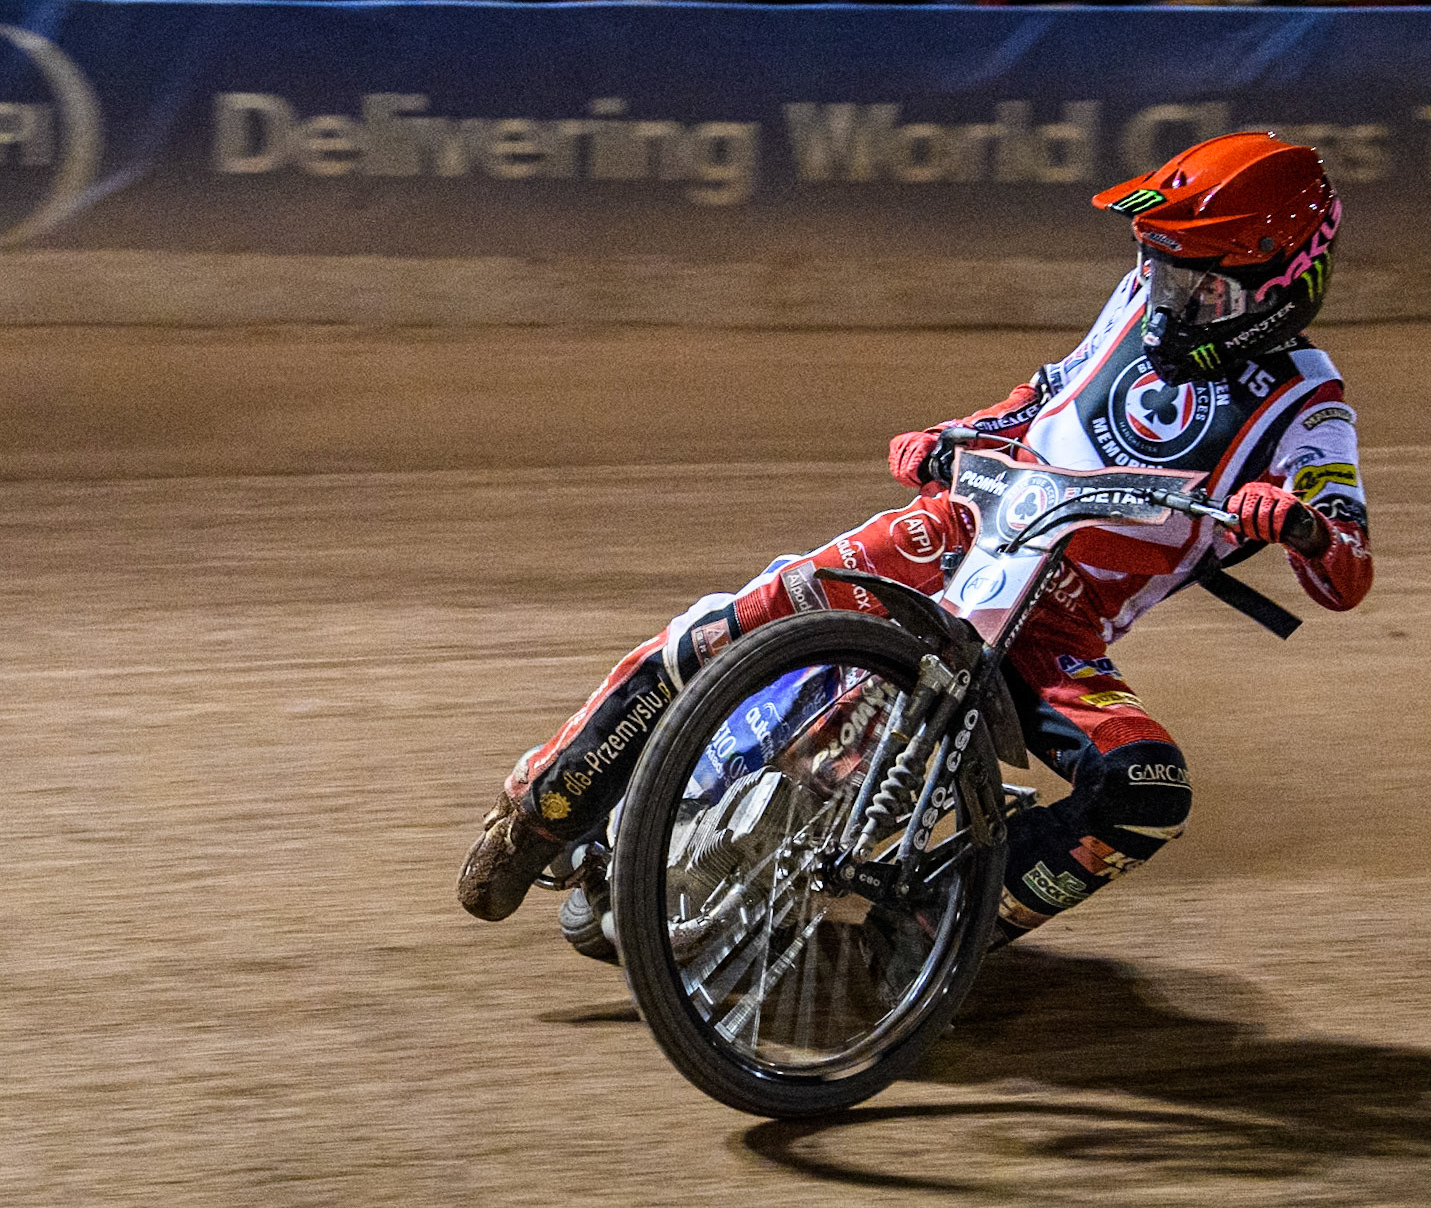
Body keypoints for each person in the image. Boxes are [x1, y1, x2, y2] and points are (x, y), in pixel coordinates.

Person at [458, 131, 1373, 947]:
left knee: (1147, 785)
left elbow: (1347, 573)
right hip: (962, 523)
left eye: (1198, 281)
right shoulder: (1141, 295)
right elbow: (1049, 390)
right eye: (1164, 268)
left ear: (1281, 281)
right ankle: (545, 803)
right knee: (736, 622)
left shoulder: (1310, 408)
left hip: (1057, 627)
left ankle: (935, 937)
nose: (1167, 294)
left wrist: (1297, 523)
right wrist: (957, 431)